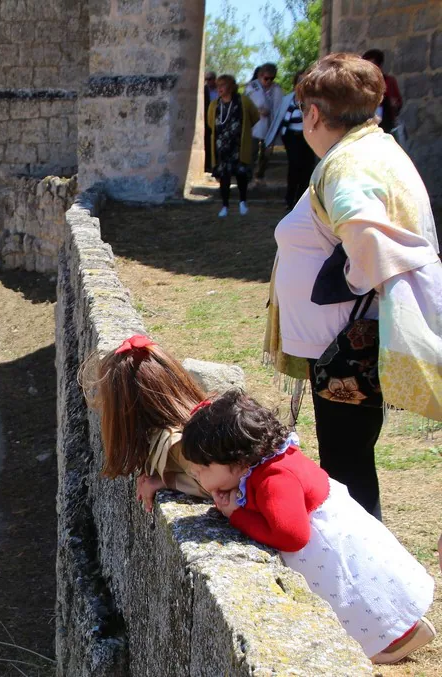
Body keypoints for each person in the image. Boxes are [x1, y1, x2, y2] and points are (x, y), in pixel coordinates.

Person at [263, 53, 442, 520]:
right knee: (351, 464)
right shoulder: (370, 149)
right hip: (344, 343)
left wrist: (352, 276)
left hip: (344, 348)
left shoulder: (347, 165)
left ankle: (364, 580)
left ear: (315, 113)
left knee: (346, 472)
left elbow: (364, 230)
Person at [181, 390, 435, 664]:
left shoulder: (274, 479)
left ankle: (399, 637)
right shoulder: (269, 462)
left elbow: (291, 536)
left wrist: (236, 516)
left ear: (238, 461)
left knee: (358, 591)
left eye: (202, 468)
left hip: (330, 549)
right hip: (337, 534)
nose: (196, 474)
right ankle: (399, 630)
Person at [80, 335, 209, 512]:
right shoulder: (181, 427)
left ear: (126, 410)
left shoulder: (177, 443)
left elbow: (212, 484)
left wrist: (166, 480)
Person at [207, 74, 259, 218]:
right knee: (224, 176)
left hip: (238, 145)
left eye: (222, 86)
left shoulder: (243, 101)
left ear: (230, 87)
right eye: (217, 86)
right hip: (221, 146)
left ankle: (243, 202)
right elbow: (211, 122)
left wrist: (244, 130)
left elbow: (255, 116)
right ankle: (225, 205)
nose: (219, 89)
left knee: (241, 174)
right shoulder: (214, 104)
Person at [266, 72, 316, 208]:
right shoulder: (288, 99)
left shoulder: (313, 101)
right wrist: (270, 141)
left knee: (307, 168)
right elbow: (279, 119)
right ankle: (289, 199)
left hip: (308, 137)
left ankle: (301, 202)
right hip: (291, 136)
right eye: (299, 81)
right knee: (294, 166)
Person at [244, 63, 283, 182]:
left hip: (270, 125)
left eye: (272, 78)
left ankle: (260, 174)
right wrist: (258, 110)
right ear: (260, 76)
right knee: (252, 152)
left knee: (267, 154)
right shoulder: (252, 87)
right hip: (254, 126)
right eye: (266, 78)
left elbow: (280, 107)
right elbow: (245, 105)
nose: (269, 81)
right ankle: (248, 177)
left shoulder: (277, 89)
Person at [362, 49, 403, 132]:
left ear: (378, 66)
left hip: (386, 123)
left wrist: (394, 104)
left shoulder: (389, 81)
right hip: (366, 124)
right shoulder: (362, 83)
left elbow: (398, 104)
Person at [202, 71, 218, 172]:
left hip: (219, 118)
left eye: (210, 79)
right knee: (208, 142)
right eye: (206, 79)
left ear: (214, 79)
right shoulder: (203, 90)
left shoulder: (220, 90)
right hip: (207, 119)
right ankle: (208, 165)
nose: (208, 81)